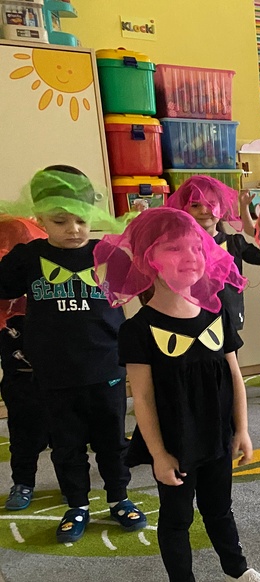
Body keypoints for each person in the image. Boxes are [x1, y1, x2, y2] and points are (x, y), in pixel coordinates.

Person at [99, 207, 260, 582]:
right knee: (178, 517)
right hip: (177, 440)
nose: (191, 257)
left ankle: (235, 570)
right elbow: (143, 398)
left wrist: (242, 429)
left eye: (196, 247)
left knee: (220, 508)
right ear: (148, 260)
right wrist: (159, 454)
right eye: (174, 249)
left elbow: (235, 376)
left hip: (217, 435)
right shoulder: (138, 329)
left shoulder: (215, 313)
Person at [0, 166, 145, 542]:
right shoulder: (29, 256)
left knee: (112, 441)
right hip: (54, 372)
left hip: (106, 367)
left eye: (81, 219)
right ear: (40, 218)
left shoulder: (106, 252)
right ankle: (77, 505)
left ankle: (119, 498)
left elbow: (144, 280)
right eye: (60, 221)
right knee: (66, 445)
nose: (73, 229)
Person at [167, 176, 260, 331]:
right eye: (195, 205)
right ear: (185, 210)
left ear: (222, 208)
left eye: (211, 204)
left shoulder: (234, 242)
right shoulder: (182, 246)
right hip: (193, 318)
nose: (204, 211)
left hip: (229, 318)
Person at [0, 217, 50, 511]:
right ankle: (23, 481)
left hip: (58, 375)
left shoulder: (44, 287)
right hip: (19, 378)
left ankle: (72, 482)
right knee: (22, 431)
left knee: (66, 432)